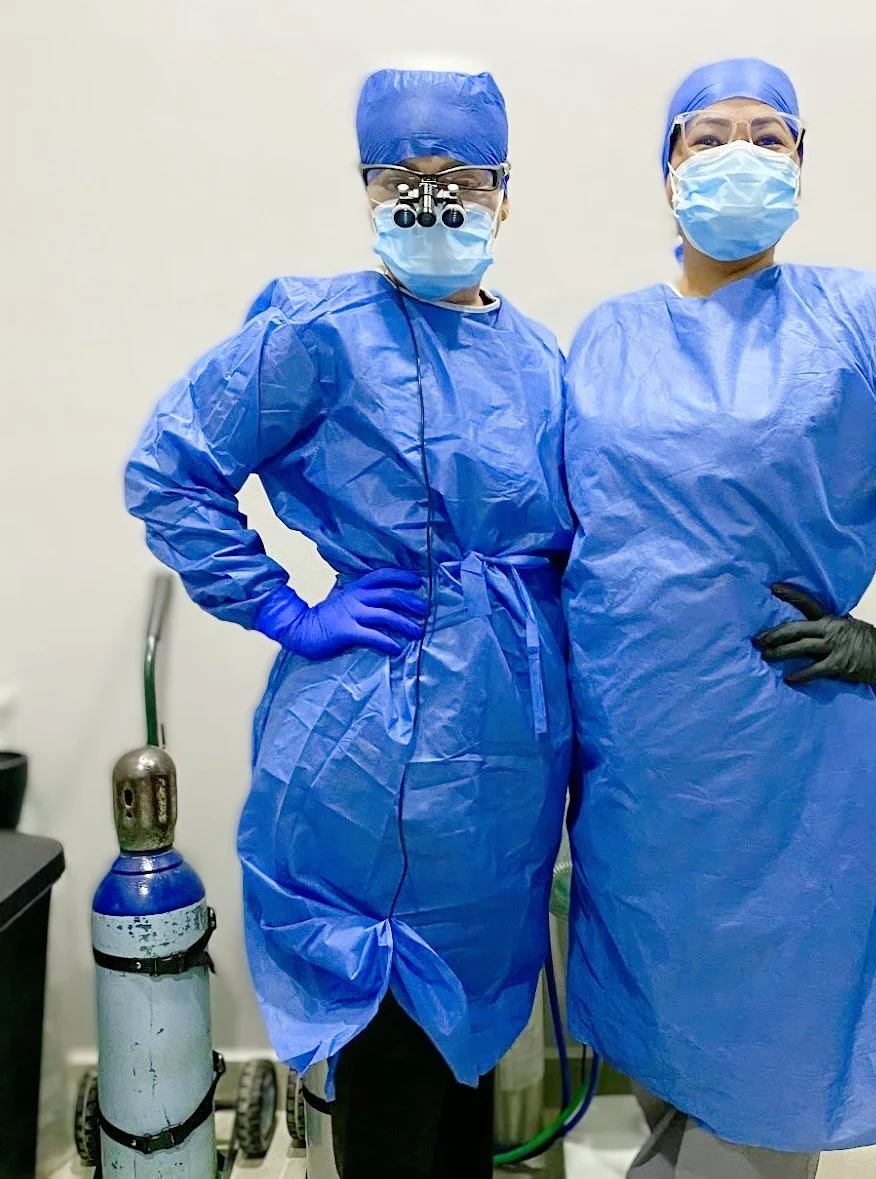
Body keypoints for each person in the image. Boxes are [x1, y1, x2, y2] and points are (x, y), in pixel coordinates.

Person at [562, 57, 876, 1178]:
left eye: (771, 137)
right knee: (665, 1024)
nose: (740, 155)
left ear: (802, 167)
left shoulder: (862, 319)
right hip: (634, 766)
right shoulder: (604, 338)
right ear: (666, 169)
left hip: (780, 762)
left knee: (772, 1062)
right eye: (708, 137)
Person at [124, 67, 573, 1178]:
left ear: (506, 192)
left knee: (469, 1043)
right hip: (368, 751)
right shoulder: (319, 333)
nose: (434, 197)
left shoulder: (541, 359)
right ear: (367, 188)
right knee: (388, 1047)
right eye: (403, 177)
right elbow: (169, 470)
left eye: (460, 175)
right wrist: (283, 607)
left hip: (508, 760)